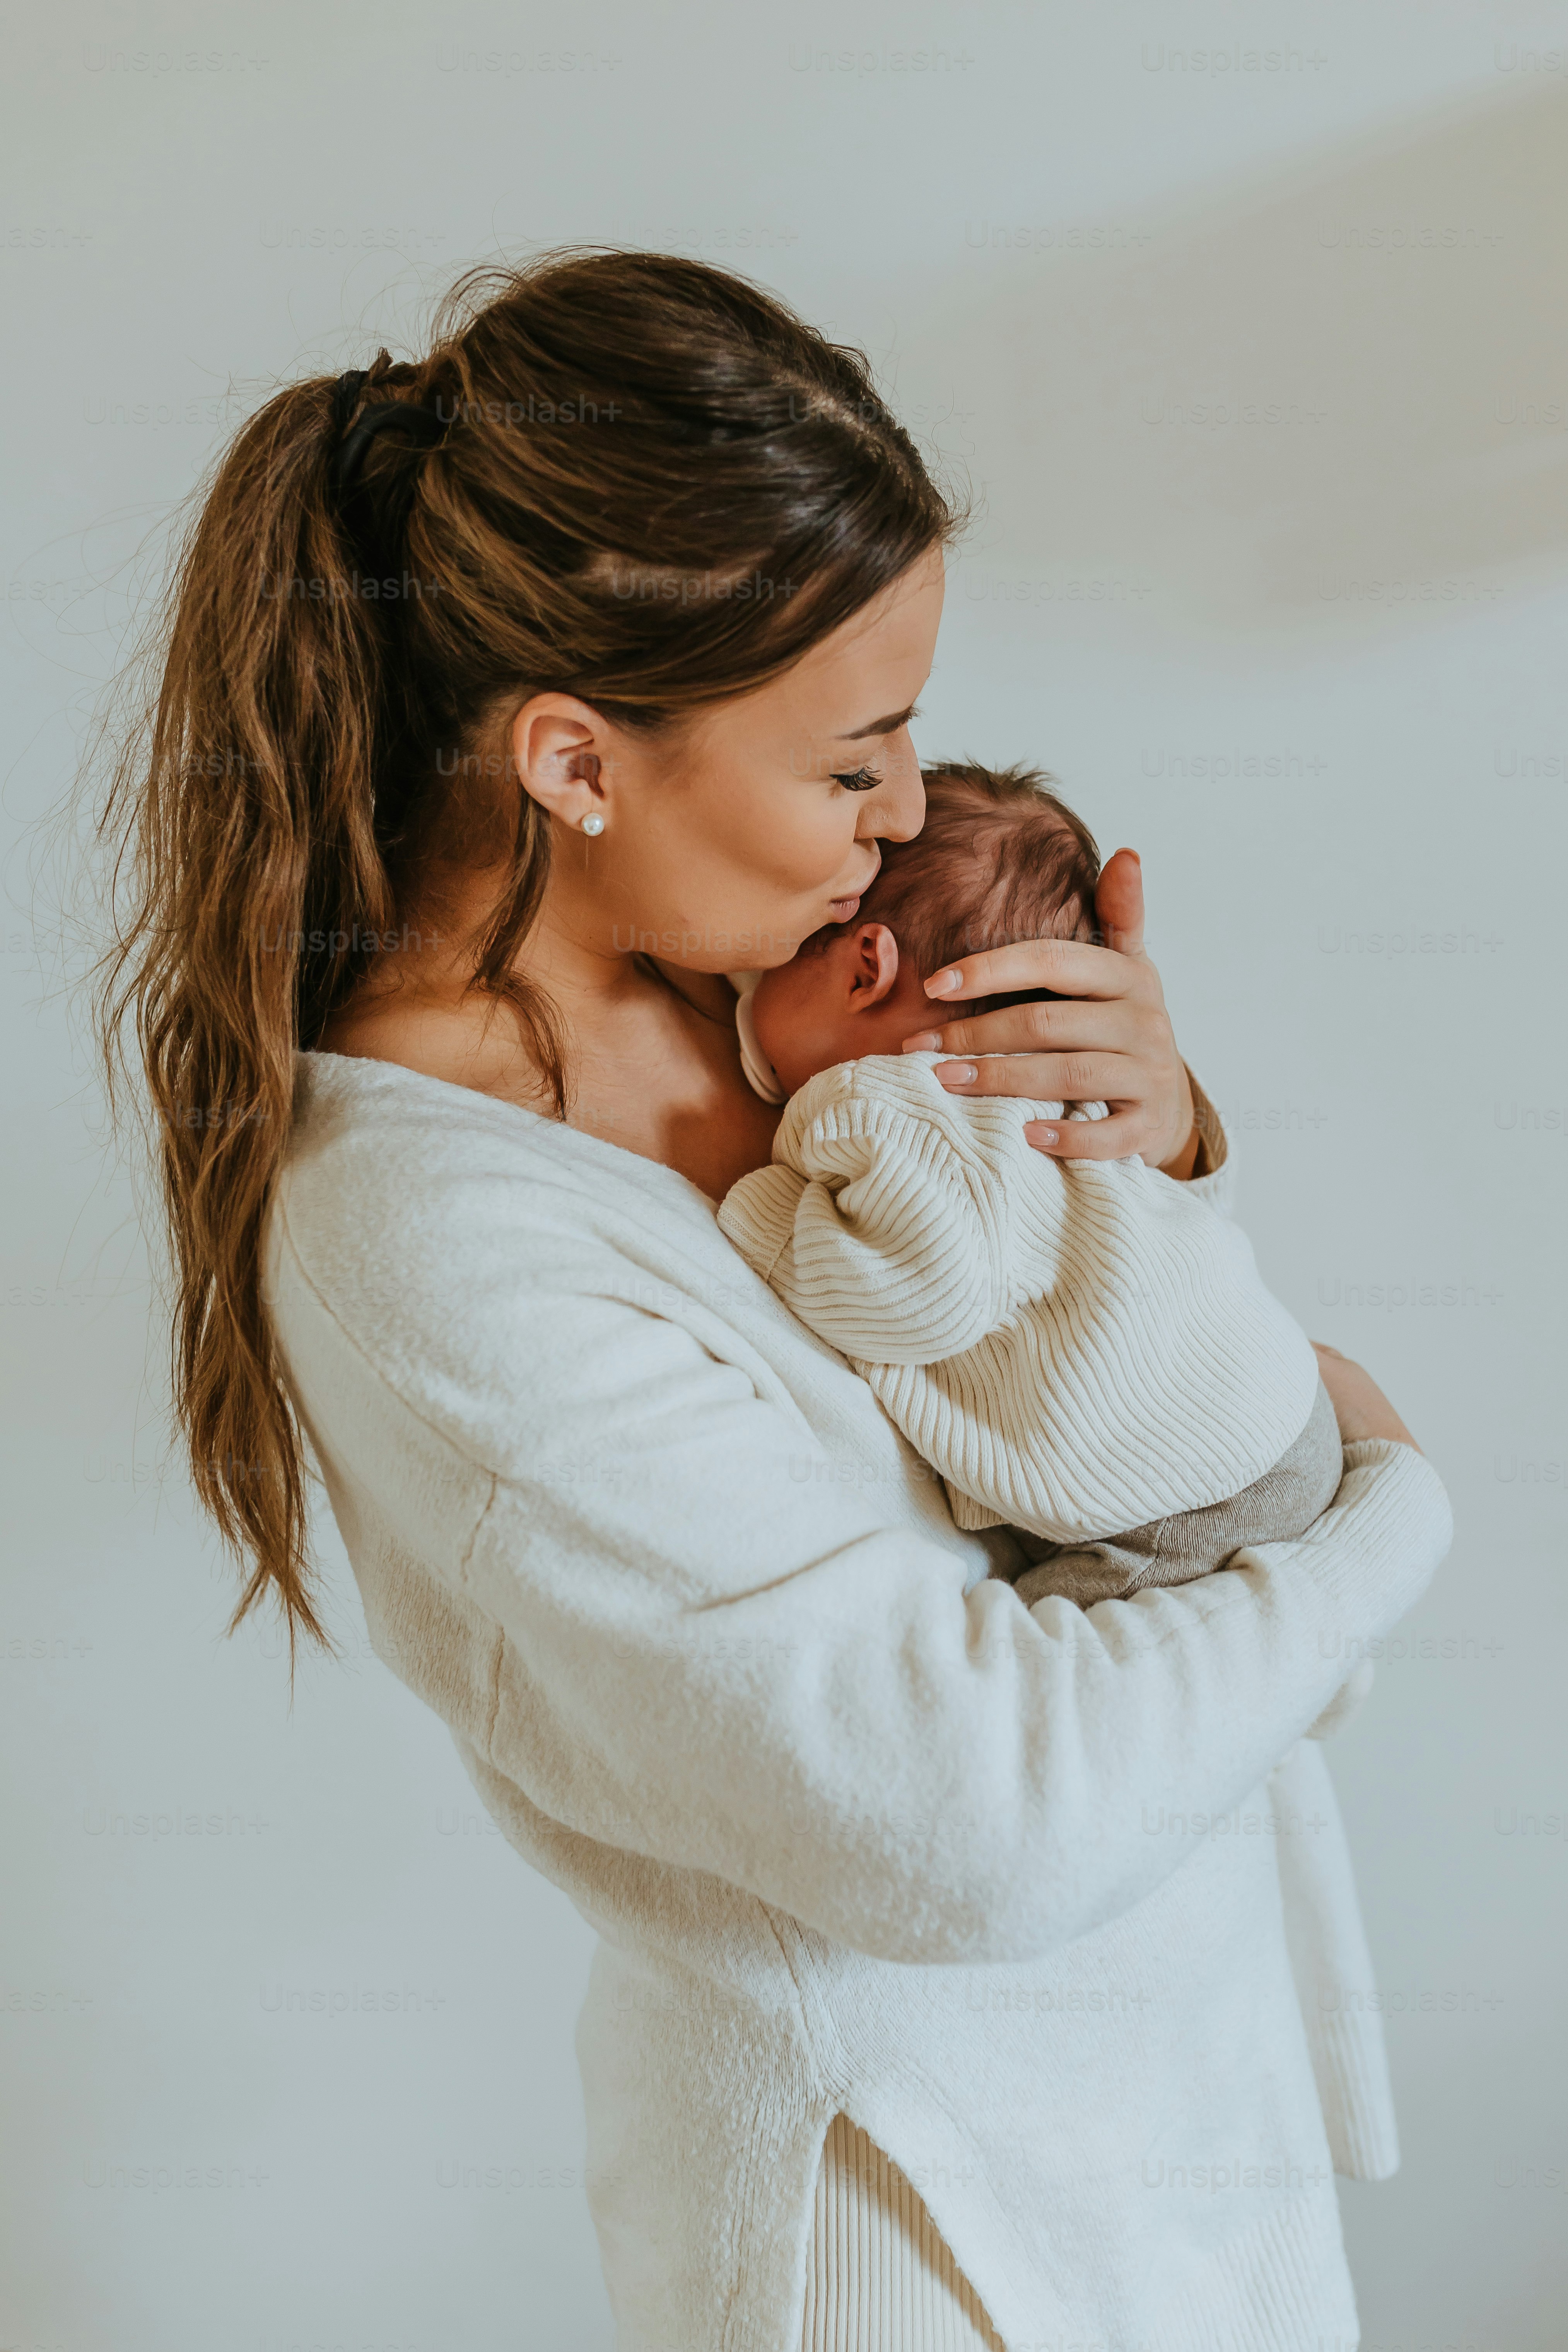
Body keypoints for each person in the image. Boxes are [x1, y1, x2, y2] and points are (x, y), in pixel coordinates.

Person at [96, 249, 1450, 2352]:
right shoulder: (434, 1245)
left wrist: (1155, 1170)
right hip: (920, 2238)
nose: (908, 817)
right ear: (570, 760)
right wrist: (1377, 1508)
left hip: (1167, 2148)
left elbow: (1056, 1468)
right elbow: (975, 1820)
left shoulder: (760, 995)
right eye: (853, 759)